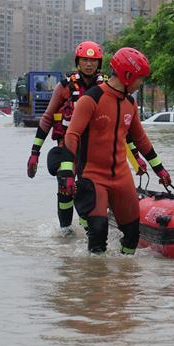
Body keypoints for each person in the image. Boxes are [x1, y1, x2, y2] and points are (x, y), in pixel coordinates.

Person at [26, 41, 147, 232]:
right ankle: (65, 231)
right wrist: (35, 153)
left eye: (93, 60)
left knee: (90, 194)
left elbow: (124, 128)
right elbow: (47, 119)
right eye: (84, 60)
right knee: (65, 189)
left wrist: (136, 158)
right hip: (69, 149)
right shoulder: (65, 87)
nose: (89, 64)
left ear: (99, 63)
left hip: (95, 153)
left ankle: (89, 229)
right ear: (78, 61)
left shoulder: (110, 87)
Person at [62, 47, 172, 254]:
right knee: (98, 231)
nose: (141, 84)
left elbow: (140, 139)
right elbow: (72, 135)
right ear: (127, 75)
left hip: (121, 177)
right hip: (93, 176)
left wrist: (161, 170)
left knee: (132, 235)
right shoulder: (91, 99)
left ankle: (124, 281)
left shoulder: (130, 104)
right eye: (140, 79)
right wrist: (67, 172)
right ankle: (95, 279)